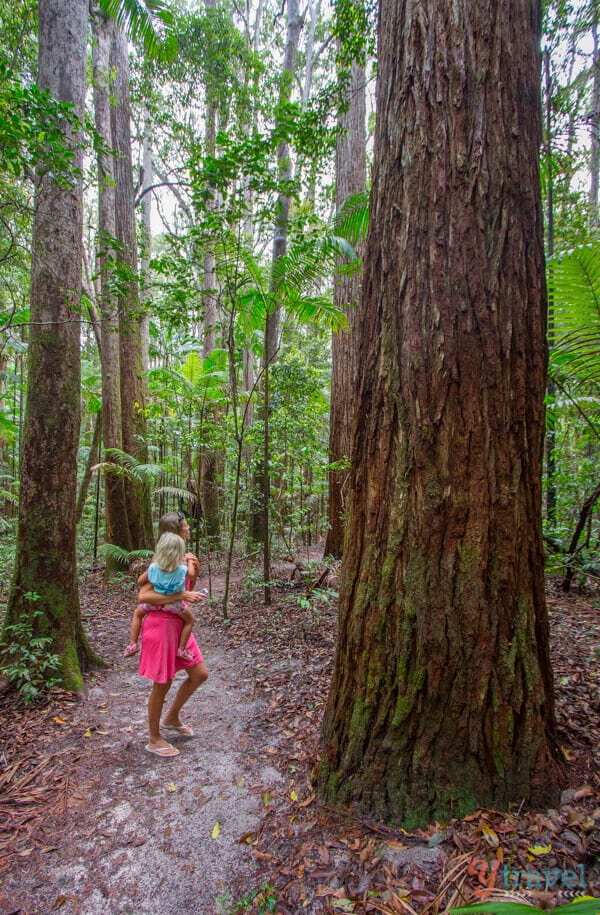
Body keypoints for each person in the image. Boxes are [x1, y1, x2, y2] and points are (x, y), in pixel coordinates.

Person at [136, 511, 209, 759]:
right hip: (161, 627)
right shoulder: (161, 557)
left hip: (179, 624)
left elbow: (183, 589)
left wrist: (193, 578)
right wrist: (182, 596)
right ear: (175, 530)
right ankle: (154, 738)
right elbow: (143, 595)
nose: (189, 528)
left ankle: (172, 717)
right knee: (162, 683)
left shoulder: (183, 556)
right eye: (185, 525)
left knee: (199, 674)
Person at [123, 532, 197, 662]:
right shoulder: (181, 569)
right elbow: (191, 574)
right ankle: (181, 649)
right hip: (175, 604)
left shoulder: (153, 568)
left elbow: (140, 581)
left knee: (138, 614)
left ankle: (133, 644)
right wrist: (190, 560)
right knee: (190, 621)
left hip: (154, 603)